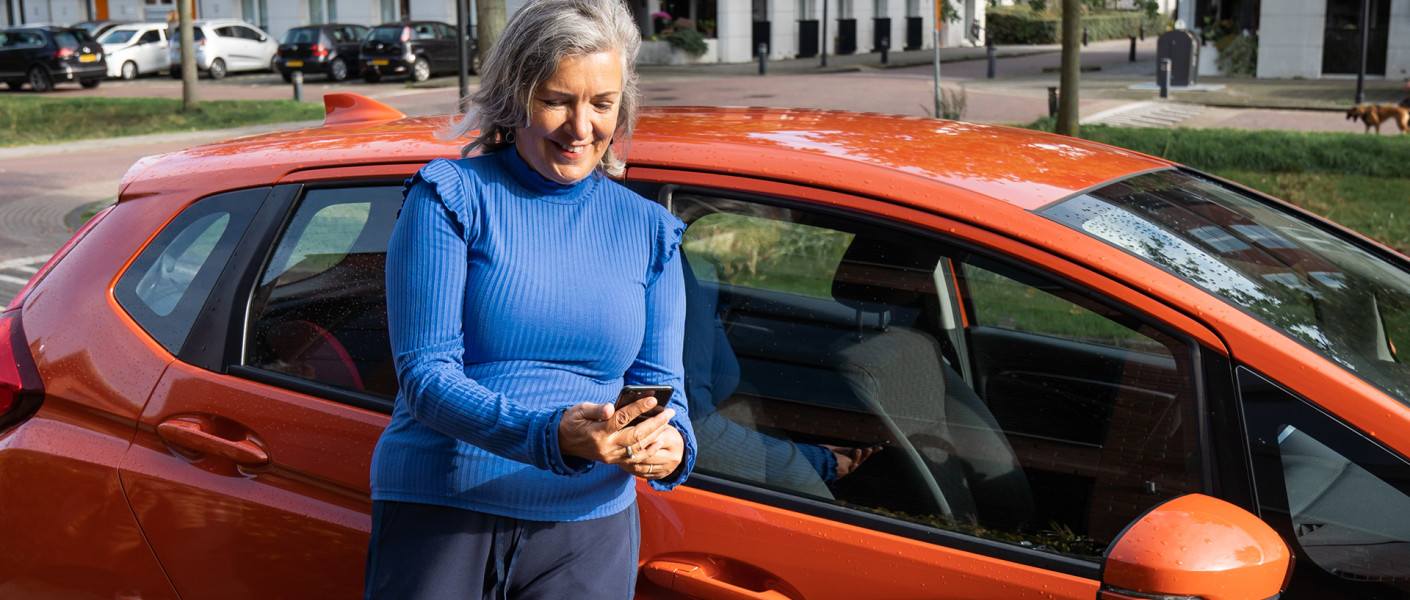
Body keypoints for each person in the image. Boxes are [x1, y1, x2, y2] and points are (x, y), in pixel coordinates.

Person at [364, 0, 695, 597]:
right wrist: (549, 434)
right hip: (446, 507)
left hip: (588, 528)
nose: (582, 127)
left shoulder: (651, 232)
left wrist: (671, 447)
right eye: (558, 100)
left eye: (601, 104)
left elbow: (662, 383)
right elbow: (424, 374)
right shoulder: (451, 196)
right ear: (516, 97)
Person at [683, 258, 878, 499]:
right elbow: (690, 427)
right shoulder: (689, 274)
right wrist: (818, 462)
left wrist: (809, 454)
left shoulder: (704, 270)